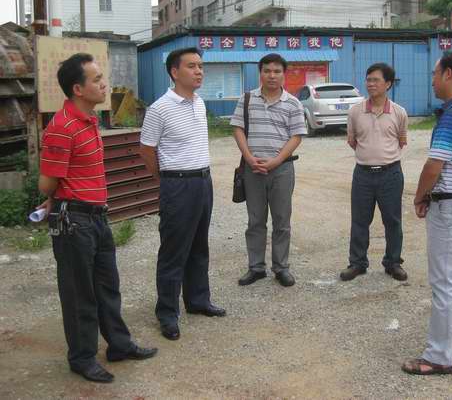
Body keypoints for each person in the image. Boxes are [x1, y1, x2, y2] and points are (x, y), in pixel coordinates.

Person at [38, 53, 157, 383]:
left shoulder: (89, 120)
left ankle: (119, 344)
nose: (104, 84)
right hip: (74, 221)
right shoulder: (62, 128)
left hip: (97, 217)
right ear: (78, 89)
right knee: (80, 294)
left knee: (107, 286)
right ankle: (82, 357)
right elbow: (46, 183)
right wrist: (57, 197)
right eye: (97, 79)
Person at [402, 52, 452, 376]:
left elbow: (434, 165)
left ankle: (439, 356)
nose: (433, 80)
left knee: (446, 281)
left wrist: (420, 196)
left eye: (435, 74)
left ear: (449, 74)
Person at [140, 47, 225, 342]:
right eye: (192, 66)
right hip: (177, 185)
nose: (199, 71)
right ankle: (167, 312)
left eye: (201, 66)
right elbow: (146, 149)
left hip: (203, 181)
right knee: (173, 250)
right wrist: (164, 178)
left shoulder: (199, 103)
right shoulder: (159, 108)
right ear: (174, 72)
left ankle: (198, 300)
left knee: (199, 246)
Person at [231, 53, 307, 287]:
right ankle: (256, 268)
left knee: (282, 220)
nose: (271, 75)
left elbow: (296, 136)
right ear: (260, 73)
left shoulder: (293, 103)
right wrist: (248, 158)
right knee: (255, 220)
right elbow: (238, 129)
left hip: (282, 170)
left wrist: (276, 161)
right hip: (252, 169)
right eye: (267, 71)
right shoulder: (246, 99)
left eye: (276, 71)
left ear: (284, 74)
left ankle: (281, 267)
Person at [339, 63, 409, 282]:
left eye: (376, 80)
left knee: (393, 221)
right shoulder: (355, 111)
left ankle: (393, 262)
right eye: (368, 79)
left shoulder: (399, 112)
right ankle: (357, 263)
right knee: (359, 221)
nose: (370, 84)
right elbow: (353, 141)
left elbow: (401, 140)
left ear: (388, 84)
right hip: (363, 174)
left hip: (391, 174)